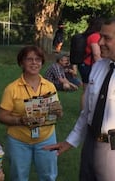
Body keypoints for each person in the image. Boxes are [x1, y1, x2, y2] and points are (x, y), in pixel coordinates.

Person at [45, 18, 115, 181]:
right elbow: (87, 113)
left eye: (107, 38)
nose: (100, 42)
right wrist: (69, 142)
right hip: (91, 144)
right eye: (100, 36)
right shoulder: (98, 67)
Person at [0, 45, 63, 181]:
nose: (34, 63)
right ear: (22, 63)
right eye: (29, 59)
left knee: (48, 176)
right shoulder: (12, 88)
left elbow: (57, 113)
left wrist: (58, 112)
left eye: (38, 59)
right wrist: (19, 120)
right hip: (19, 140)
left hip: (46, 137)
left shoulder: (49, 86)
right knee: (19, 177)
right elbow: (1, 116)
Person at [78, 17, 103, 107]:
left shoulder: (89, 35)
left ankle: (85, 110)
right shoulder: (95, 36)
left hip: (85, 65)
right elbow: (96, 53)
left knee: (87, 89)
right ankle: (84, 111)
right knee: (87, 90)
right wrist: (101, 67)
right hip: (89, 65)